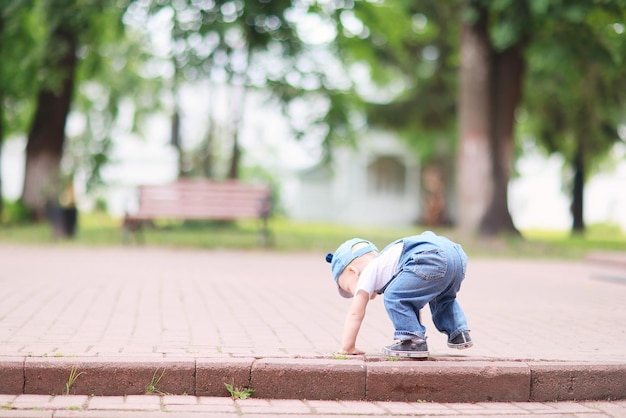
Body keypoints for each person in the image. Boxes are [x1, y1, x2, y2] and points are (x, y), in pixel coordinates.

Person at [325, 231, 472, 358]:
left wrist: (347, 347)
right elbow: (413, 302)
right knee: (443, 297)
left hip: (430, 256)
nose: (355, 293)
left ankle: (413, 341)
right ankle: (458, 333)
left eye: (349, 288)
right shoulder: (389, 264)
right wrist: (416, 327)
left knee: (393, 297)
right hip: (456, 256)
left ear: (352, 271)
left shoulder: (368, 272)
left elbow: (355, 314)